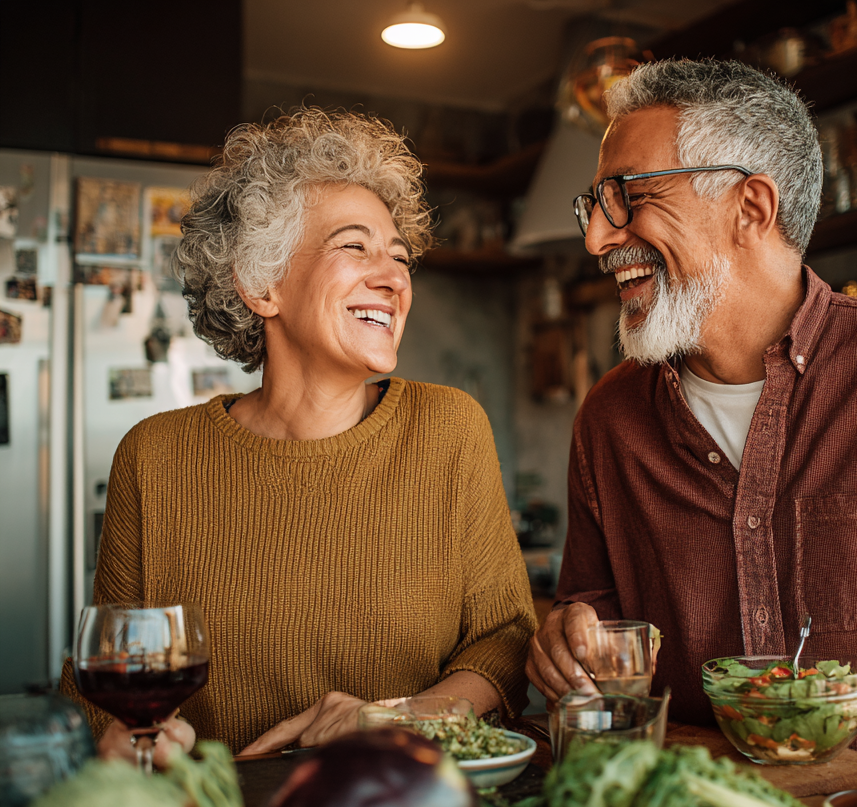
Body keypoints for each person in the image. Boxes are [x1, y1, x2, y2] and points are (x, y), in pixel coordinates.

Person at [527, 59, 857, 799]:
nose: (599, 238)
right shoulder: (609, 419)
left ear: (750, 207)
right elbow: (595, 625)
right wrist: (570, 643)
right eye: (594, 206)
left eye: (628, 197)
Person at [63, 108, 535, 763]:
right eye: (355, 246)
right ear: (261, 285)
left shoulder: (450, 429)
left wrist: (398, 718)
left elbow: (505, 639)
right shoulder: (155, 456)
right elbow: (101, 690)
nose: (394, 277)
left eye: (400, 258)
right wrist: (122, 741)